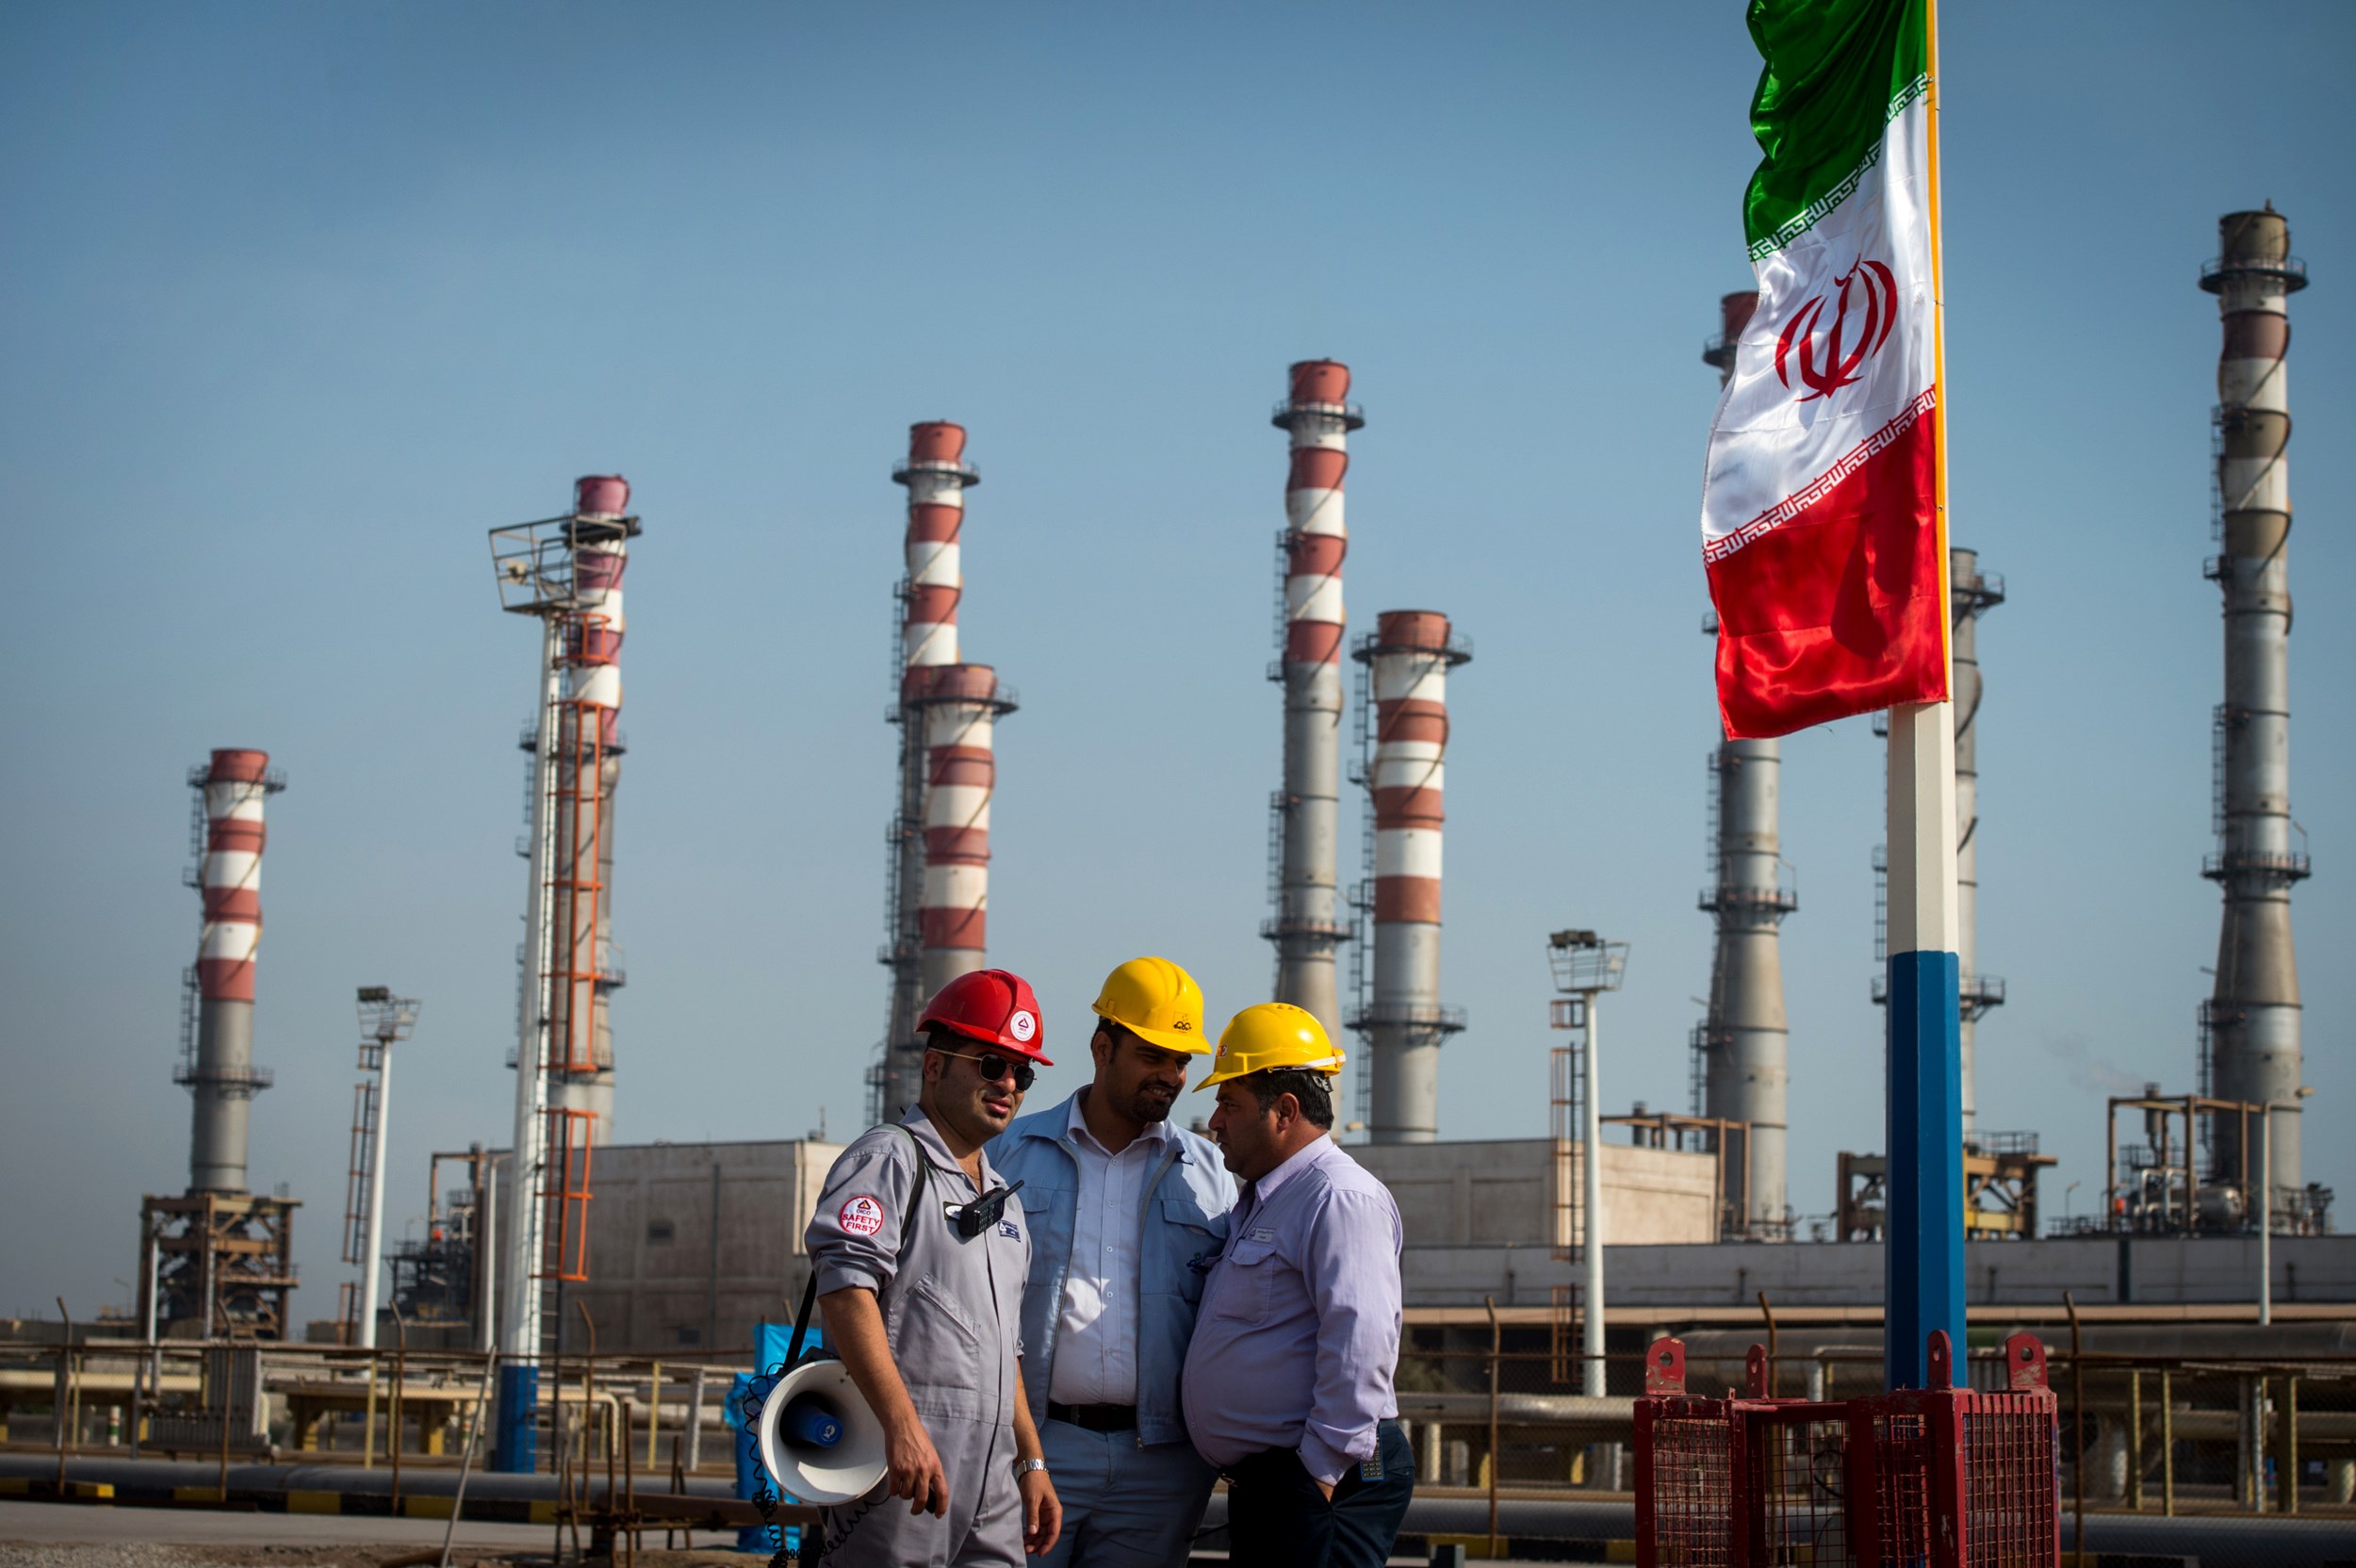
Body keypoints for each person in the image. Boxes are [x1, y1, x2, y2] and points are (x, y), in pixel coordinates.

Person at [803, 969, 1065, 1565]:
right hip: (900, 1463)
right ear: (935, 1066)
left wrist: (1031, 1460)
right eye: (990, 1065)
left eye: (1021, 1073)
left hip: (994, 1477)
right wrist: (900, 1426)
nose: (1008, 1086)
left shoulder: (1004, 1200)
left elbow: (1007, 1347)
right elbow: (844, 1290)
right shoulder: (888, 1160)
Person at [990, 957, 1237, 1568]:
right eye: (1153, 1055)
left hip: (1161, 1468)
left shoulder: (1214, 1179)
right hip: (1034, 1448)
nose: (1172, 1075)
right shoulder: (1008, 1156)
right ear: (1103, 1047)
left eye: (1182, 1061)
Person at [1181, 1004, 1413, 1568]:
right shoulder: (1269, 1198)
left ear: (1284, 1112)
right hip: (1283, 1482)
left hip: (1324, 1480)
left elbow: (1361, 1342)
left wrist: (1318, 1473)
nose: (1214, 1121)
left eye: (1229, 1104)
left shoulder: (1339, 1198)